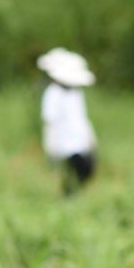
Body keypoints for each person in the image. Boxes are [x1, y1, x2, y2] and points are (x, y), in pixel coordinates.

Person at [36, 48, 97, 194]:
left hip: (79, 140)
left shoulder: (76, 93)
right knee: (73, 171)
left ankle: (75, 194)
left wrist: (91, 137)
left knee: (87, 168)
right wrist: (50, 145)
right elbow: (50, 122)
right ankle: (69, 195)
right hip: (64, 143)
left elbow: (81, 118)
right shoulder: (53, 94)